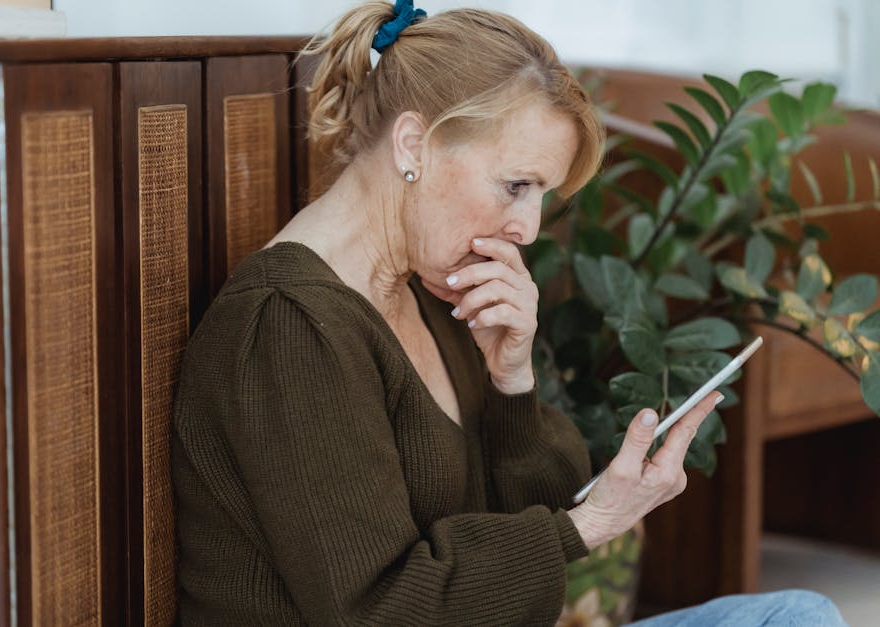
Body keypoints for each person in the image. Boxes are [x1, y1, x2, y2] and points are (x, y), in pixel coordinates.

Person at [171, 1, 847, 625]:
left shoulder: (431, 287)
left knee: (796, 614)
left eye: (541, 194)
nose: (526, 226)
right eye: (516, 184)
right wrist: (589, 523)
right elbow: (381, 606)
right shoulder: (288, 327)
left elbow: (540, 522)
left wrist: (512, 380)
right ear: (414, 145)